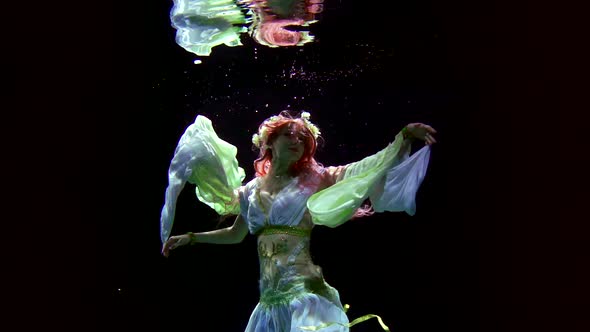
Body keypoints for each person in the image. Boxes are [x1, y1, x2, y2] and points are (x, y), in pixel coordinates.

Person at [160, 110, 436, 331]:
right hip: (269, 303)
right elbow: (236, 233)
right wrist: (193, 237)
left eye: (303, 138)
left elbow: (362, 168)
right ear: (270, 141)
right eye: (289, 135)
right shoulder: (250, 191)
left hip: (305, 295)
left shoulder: (314, 179)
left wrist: (403, 137)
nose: (297, 141)